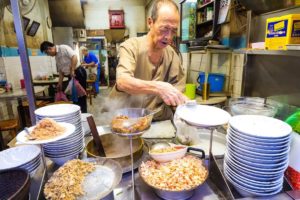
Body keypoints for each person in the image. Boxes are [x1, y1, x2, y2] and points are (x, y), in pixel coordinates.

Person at [109, 0, 187, 121]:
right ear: (150, 22)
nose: (169, 36)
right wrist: (159, 88)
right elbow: (122, 81)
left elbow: (177, 90)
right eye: (164, 28)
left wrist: (183, 104)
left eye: (174, 31)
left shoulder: (172, 55)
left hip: (157, 120)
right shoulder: (131, 47)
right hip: (126, 119)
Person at [40, 41, 87, 113]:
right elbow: (61, 72)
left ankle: (84, 115)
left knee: (81, 96)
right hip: (71, 76)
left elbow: (74, 57)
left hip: (78, 72)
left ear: (49, 49)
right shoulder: (56, 57)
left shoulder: (63, 48)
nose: (48, 55)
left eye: (47, 53)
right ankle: (77, 114)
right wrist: (60, 83)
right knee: (74, 96)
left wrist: (72, 70)